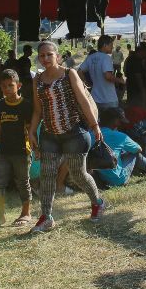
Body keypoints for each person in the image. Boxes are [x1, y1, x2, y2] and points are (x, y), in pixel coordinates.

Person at [27, 41, 106, 233]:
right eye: (42, 55)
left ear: (57, 56)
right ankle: (46, 217)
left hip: (74, 133)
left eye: (49, 55)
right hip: (49, 135)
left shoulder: (69, 74)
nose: (45, 59)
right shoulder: (37, 80)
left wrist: (95, 125)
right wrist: (31, 131)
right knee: (47, 175)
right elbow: (38, 110)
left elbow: (82, 100)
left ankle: (97, 202)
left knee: (78, 174)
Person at [0, 69, 33, 230]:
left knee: (23, 182)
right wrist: (1, 145)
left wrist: (33, 148)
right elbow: (0, 126)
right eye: (4, 86)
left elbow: (30, 129)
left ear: (18, 85)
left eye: (11, 85)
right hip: (4, 151)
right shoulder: (0, 104)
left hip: (22, 151)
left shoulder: (26, 105)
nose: (7, 89)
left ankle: (26, 213)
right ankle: (0, 216)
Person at [96, 108, 146, 187]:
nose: (121, 124)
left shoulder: (91, 134)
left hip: (98, 178)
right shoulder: (120, 136)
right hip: (117, 180)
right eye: (120, 122)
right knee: (135, 154)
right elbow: (138, 149)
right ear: (115, 121)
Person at [78, 35, 125, 111]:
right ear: (104, 45)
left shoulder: (90, 57)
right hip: (108, 98)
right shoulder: (106, 58)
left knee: (100, 121)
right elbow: (108, 76)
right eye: (111, 45)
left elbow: (79, 72)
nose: (112, 47)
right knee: (111, 121)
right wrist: (120, 80)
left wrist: (86, 84)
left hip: (95, 98)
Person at [125, 43, 146, 107]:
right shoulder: (135, 60)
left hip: (131, 87)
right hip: (136, 89)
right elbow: (138, 77)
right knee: (138, 107)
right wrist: (143, 91)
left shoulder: (130, 58)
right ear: (142, 51)